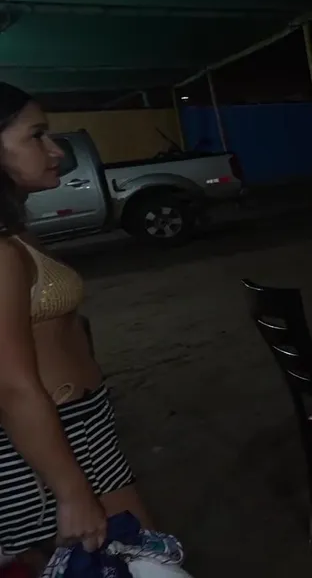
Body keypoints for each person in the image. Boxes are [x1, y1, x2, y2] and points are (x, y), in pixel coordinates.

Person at [0, 83, 152, 570]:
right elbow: (11, 386)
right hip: (43, 447)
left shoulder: (15, 232)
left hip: (83, 424)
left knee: (139, 559)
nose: (57, 151)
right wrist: (70, 491)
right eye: (37, 136)